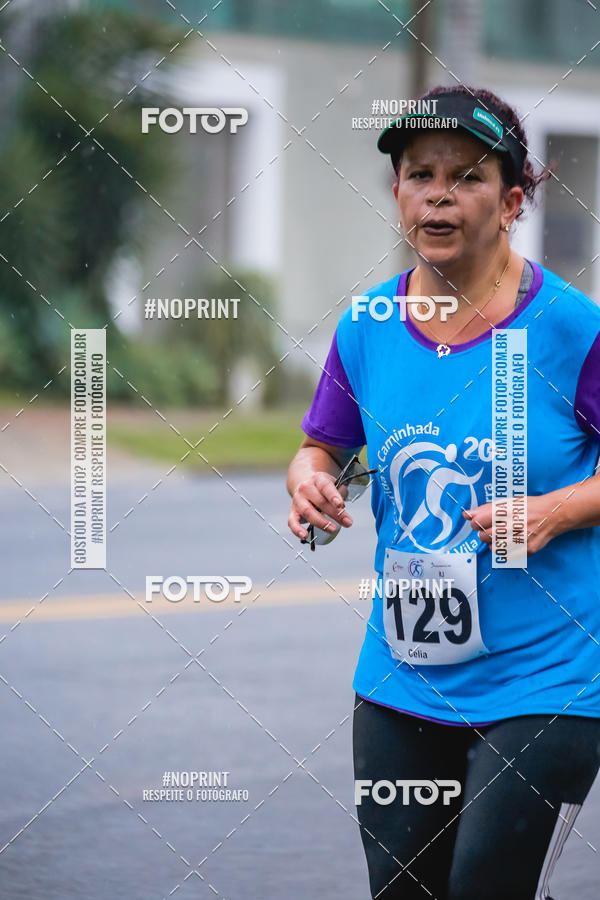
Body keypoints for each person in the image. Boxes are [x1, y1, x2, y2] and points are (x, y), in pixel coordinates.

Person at [286, 85, 600, 900]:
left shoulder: (572, 328)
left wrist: (556, 511)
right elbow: (323, 447)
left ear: (514, 200)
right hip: (403, 675)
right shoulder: (366, 326)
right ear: (398, 194)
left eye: (466, 177)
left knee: (486, 887)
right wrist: (310, 483)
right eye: (419, 174)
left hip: (551, 678)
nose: (438, 194)